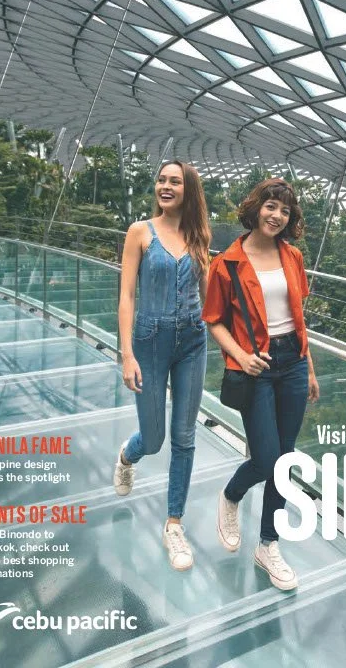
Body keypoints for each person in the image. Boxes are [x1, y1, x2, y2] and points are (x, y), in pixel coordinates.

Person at [202, 178, 319, 590]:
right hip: (256, 366)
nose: (277, 216)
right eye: (271, 207)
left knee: (284, 462)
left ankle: (268, 544)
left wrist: (309, 368)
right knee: (267, 458)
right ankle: (232, 494)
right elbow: (213, 319)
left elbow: (298, 318)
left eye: (285, 211)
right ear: (255, 208)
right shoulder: (227, 263)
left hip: (292, 363)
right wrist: (240, 355)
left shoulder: (293, 257)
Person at [112, 160, 211, 571]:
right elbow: (127, 297)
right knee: (154, 440)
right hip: (149, 342)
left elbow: (209, 297)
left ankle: (174, 524)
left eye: (175, 181)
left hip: (192, 340)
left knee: (184, 437)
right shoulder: (140, 232)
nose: (165, 187)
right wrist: (127, 354)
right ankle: (127, 456)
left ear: (188, 190)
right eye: (162, 180)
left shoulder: (198, 235)